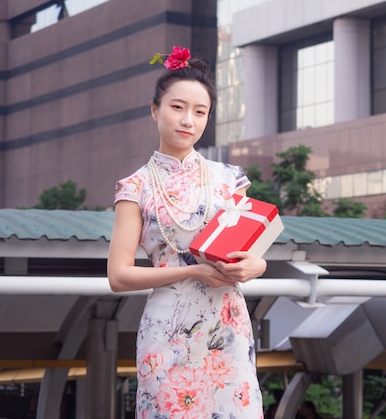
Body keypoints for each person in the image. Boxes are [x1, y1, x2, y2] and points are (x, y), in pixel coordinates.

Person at [107, 46, 267, 417]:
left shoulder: (231, 179)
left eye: (200, 112)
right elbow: (118, 275)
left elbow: (253, 254)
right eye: (177, 107)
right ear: (155, 110)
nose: (188, 120)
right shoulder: (135, 186)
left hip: (227, 325)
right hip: (168, 330)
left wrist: (255, 268)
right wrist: (193, 270)